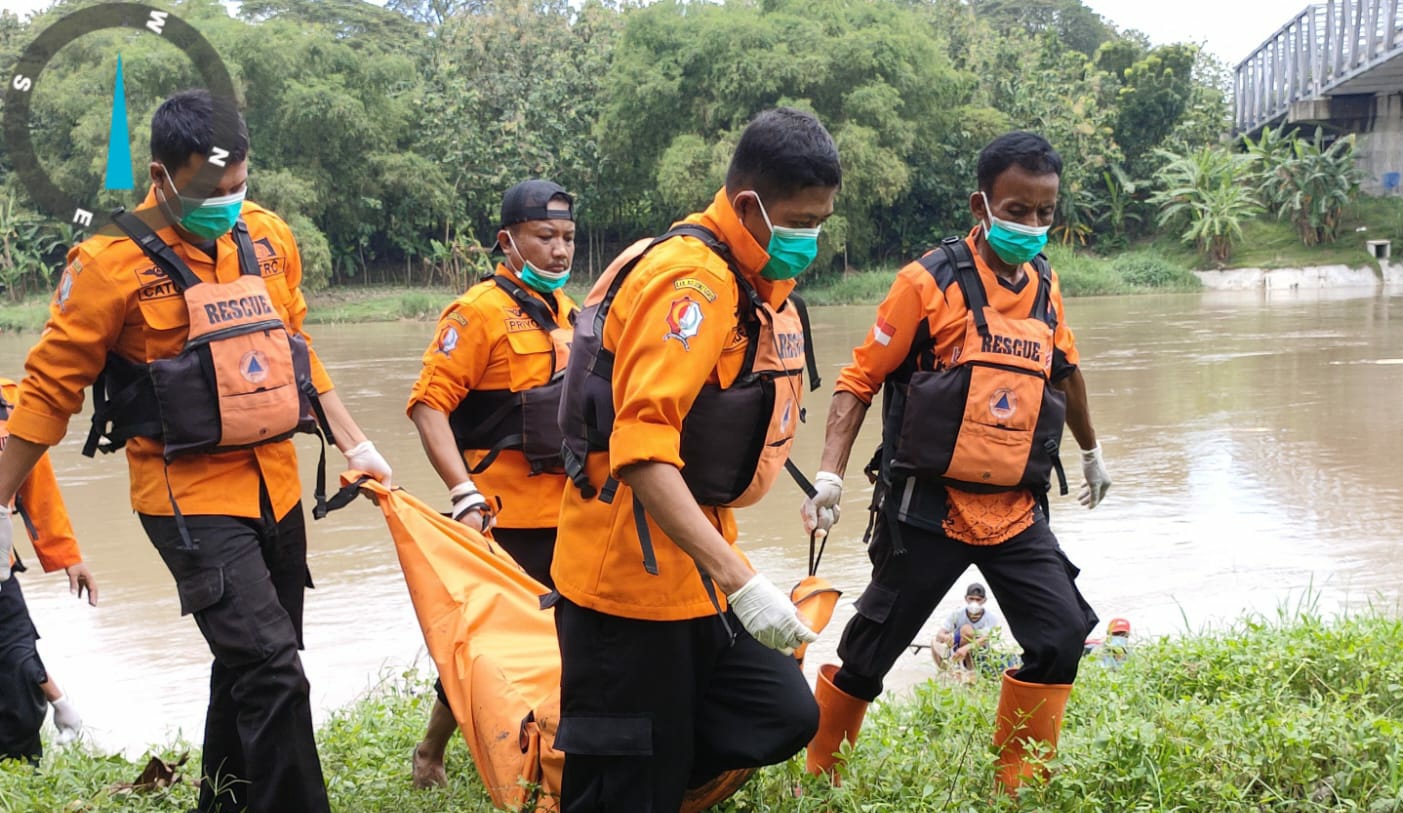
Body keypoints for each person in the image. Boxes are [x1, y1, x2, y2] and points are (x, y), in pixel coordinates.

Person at [0, 89, 391, 813]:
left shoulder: (269, 238)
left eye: (240, 185)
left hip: (274, 484)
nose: (229, 201)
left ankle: (224, 802)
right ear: (160, 175)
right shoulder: (108, 263)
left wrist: (356, 440)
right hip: (187, 496)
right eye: (213, 190)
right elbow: (48, 392)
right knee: (272, 670)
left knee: (252, 664)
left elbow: (297, 351)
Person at [800, 131, 1111, 794]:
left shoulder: (1046, 286)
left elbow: (1067, 372)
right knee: (867, 653)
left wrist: (1092, 452)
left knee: (1058, 636)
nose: (1031, 224)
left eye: (1043, 211)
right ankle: (821, 776)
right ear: (981, 202)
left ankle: (1016, 784)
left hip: (1014, 509)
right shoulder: (925, 281)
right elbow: (858, 379)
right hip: (925, 509)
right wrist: (829, 473)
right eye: (1016, 208)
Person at [550, 107, 841, 812]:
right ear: (749, 206)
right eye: (801, 221)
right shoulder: (693, 284)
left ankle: (650, 768)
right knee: (628, 781)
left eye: (819, 222)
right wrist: (743, 583)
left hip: (693, 570)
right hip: (628, 581)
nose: (810, 238)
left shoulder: (747, 280)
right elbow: (641, 450)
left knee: (781, 713)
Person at [405, 179, 579, 788]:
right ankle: (431, 750)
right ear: (508, 241)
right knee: (487, 647)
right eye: (545, 237)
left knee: (570, 642)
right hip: (501, 519)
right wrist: (463, 493)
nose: (560, 251)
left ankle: (550, 752)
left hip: (570, 515)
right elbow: (429, 406)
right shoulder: (475, 313)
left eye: (567, 238)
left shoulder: (570, 313)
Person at [0, 377, 95, 765]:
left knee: (19, 667)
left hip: (0, 570)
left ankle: (21, 768)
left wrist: (67, 554)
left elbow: (36, 482)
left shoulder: (9, 400)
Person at [931, 581, 1001, 672]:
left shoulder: (991, 617)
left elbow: (985, 639)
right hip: (957, 647)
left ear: (984, 600)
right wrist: (946, 637)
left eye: (978, 599)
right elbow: (939, 635)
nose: (974, 602)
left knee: (967, 629)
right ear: (966, 599)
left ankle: (969, 668)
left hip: (979, 651)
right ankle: (954, 667)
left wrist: (966, 648)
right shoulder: (957, 613)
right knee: (934, 642)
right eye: (971, 599)